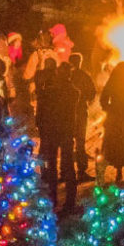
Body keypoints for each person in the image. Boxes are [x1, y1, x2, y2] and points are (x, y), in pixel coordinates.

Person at [33, 54, 81, 209]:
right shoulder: (72, 91)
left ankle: (55, 198)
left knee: (54, 166)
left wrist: (40, 124)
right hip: (62, 131)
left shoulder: (56, 91)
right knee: (63, 166)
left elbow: (42, 106)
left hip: (55, 131)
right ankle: (67, 200)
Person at [65, 52, 97, 184]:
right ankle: (81, 171)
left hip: (66, 114)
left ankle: (66, 172)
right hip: (80, 112)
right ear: (79, 62)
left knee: (67, 143)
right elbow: (92, 92)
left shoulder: (64, 76)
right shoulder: (84, 76)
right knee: (80, 142)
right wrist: (86, 100)